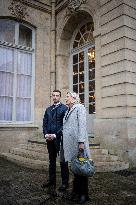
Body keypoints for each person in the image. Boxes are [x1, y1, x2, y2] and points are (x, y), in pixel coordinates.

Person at [63, 92, 90, 204]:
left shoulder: (80, 107)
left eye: (68, 97)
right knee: (75, 168)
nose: (66, 98)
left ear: (74, 99)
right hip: (71, 144)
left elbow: (82, 125)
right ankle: (75, 191)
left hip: (79, 143)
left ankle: (84, 194)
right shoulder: (68, 110)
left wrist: (81, 142)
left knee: (82, 169)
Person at [42, 90, 69, 193]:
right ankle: (52, 181)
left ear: (60, 97)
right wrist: (45, 134)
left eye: (57, 95)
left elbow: (65, 125)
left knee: (63, 162)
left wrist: (55, 135)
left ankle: (64, 183)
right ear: (51, 96)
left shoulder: (65, 108)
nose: (55, 97)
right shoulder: (48, 109)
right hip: (49, 140)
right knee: (51, 161)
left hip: (60, 139)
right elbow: (44, 123)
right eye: (53, 95)